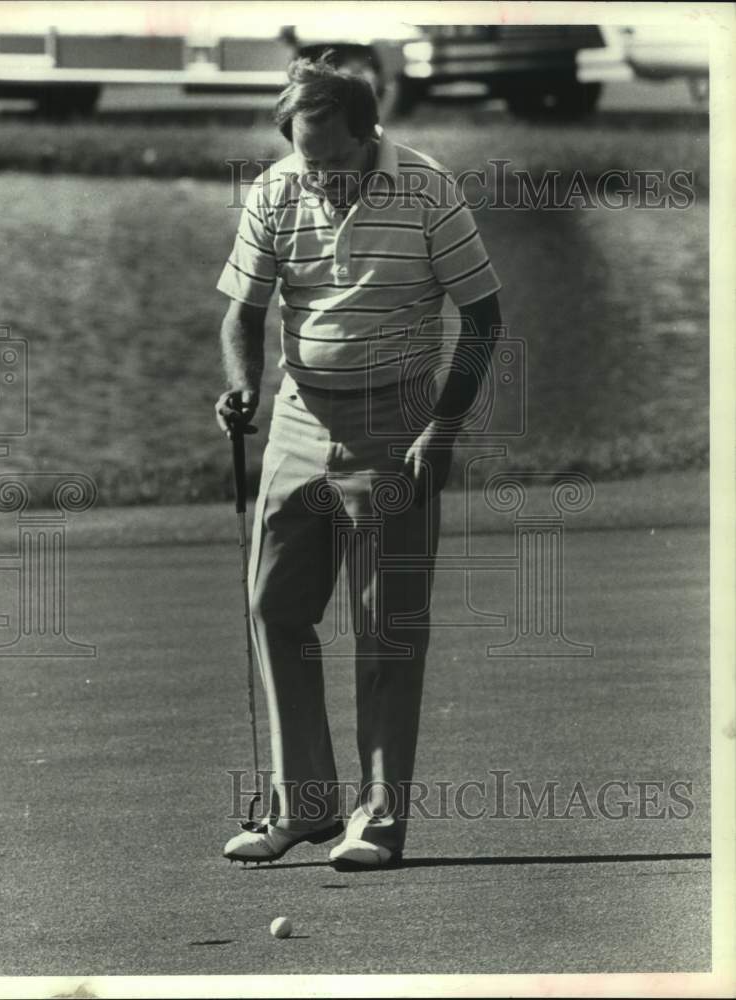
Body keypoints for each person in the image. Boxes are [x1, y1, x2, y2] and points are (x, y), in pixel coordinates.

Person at [215, 54, 502, 870]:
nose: (325, 177)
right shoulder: (275, 190)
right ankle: (302, 806)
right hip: (299, 421)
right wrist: (242, 385)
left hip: (399, 421)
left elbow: (483, 316)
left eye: (337, 160)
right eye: (311, 159)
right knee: (275, 605)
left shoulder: (427, 189)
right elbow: (243, 312)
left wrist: (442, 430)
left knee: (385, 630)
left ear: (368, 132)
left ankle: (377, 821)